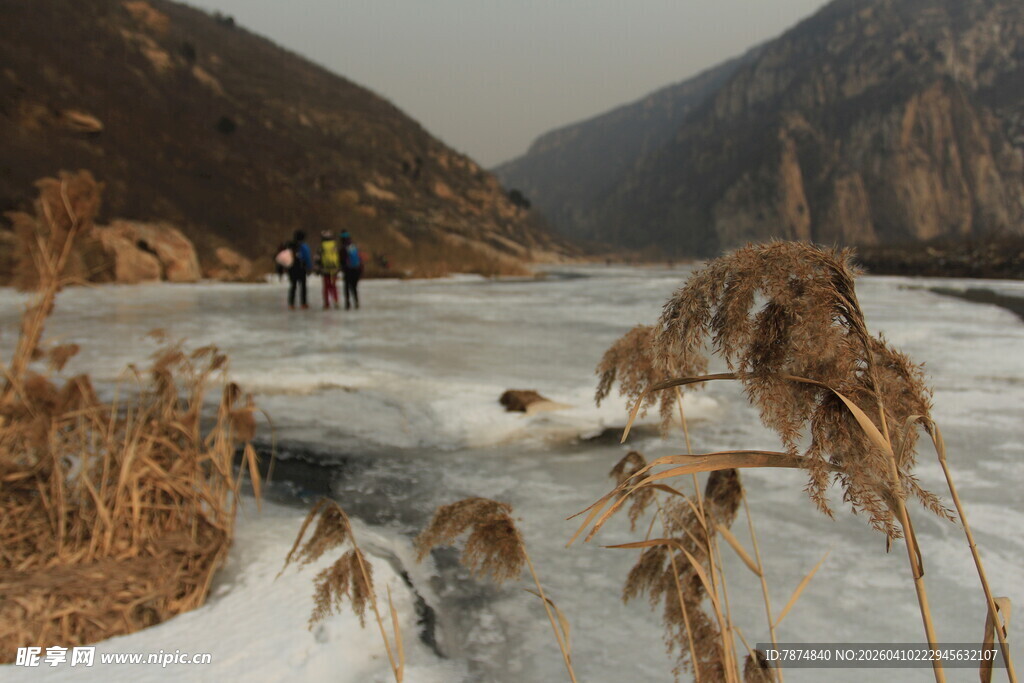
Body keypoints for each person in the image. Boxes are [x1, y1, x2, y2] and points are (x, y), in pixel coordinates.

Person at [286, 230, 313, 309]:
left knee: (293, 286)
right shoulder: (304, 246)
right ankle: (303, 303)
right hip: (301, 268)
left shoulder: (290, 246)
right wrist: (309, 267)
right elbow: (307, 258)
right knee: (303, 286)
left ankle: (291, 303)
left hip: (292, 269)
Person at [317, 230, 341, 309]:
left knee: (326, 287)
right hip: (334, 269)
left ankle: (326, 303)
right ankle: (336, 300)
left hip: (325, 269)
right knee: (333, 286)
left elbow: (318, 258)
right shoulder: (334, 245)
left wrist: (318, 268)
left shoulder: (321, 246)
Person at [340, 231, 363, 310]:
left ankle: (347, 303)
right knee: (354, 287)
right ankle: (356, 302)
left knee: (346, 287)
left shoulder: (343, 248)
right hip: (356, 269)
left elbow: (341, 261)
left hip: (348, 270)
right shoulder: (353, 246)